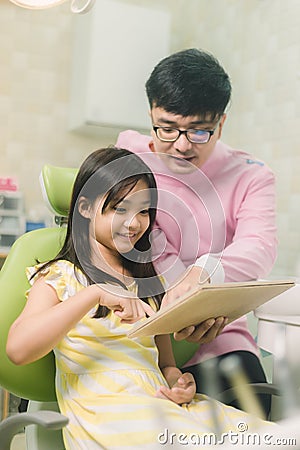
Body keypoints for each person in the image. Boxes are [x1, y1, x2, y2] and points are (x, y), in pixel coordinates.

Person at [6, 147, 276, 449]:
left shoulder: (148, 284)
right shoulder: (61, 277)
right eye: (120, 208)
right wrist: (94, 294)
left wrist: (178, 383)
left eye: (144, 211)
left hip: (162, 405)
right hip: (112, 415)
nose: (134, 223)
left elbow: (166, 366)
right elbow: (18, 350)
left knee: (273, 437)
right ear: (84, 208)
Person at [116, 48, 277, 417]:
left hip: (217, 334)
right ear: (151, 115)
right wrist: (174, 281)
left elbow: (259, 247)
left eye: (198, 131)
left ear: (221, 124)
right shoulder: (130, 152)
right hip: (139, 333)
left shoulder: (251, 175)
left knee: (250, 417)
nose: (182, 145)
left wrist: (202, 274)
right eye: (167, 127)